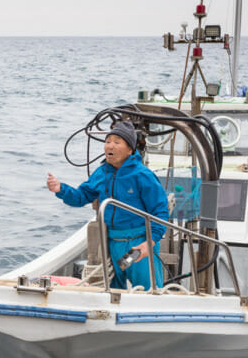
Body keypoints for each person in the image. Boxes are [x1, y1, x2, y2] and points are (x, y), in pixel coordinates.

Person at [46, 119, 168, 290]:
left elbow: (160, 211)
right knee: (114, 289)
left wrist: (150, 242)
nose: (110, 146)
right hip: (113, 242)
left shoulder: (142, 175)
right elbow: (81, 196)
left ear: (130, 149)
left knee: (147, 290)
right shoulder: (101, 172)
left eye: (117, 142)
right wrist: (60, 189)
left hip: (137, 243)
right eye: (108, 141)